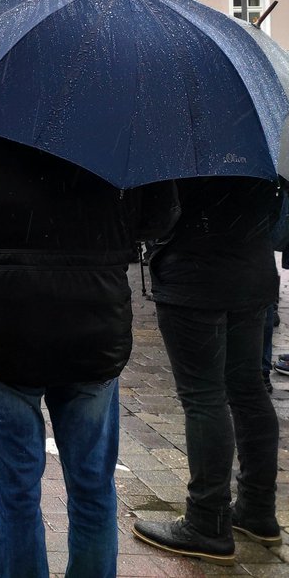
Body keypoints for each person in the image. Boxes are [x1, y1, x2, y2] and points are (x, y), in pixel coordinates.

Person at [0, 110, 178, 576]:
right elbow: (159, 214)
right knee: (93, 488)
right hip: (93, 317)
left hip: (3, 316)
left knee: (16, 492)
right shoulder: (127, 102)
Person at [132, 177, 282, 562]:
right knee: (249, 388)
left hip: (195, 273)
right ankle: (258, 509)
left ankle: (207, 520)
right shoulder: (260, 133)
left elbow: (152, 214)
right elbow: (275, 205)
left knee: (204, 397)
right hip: (252, 266)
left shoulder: (179, 135)